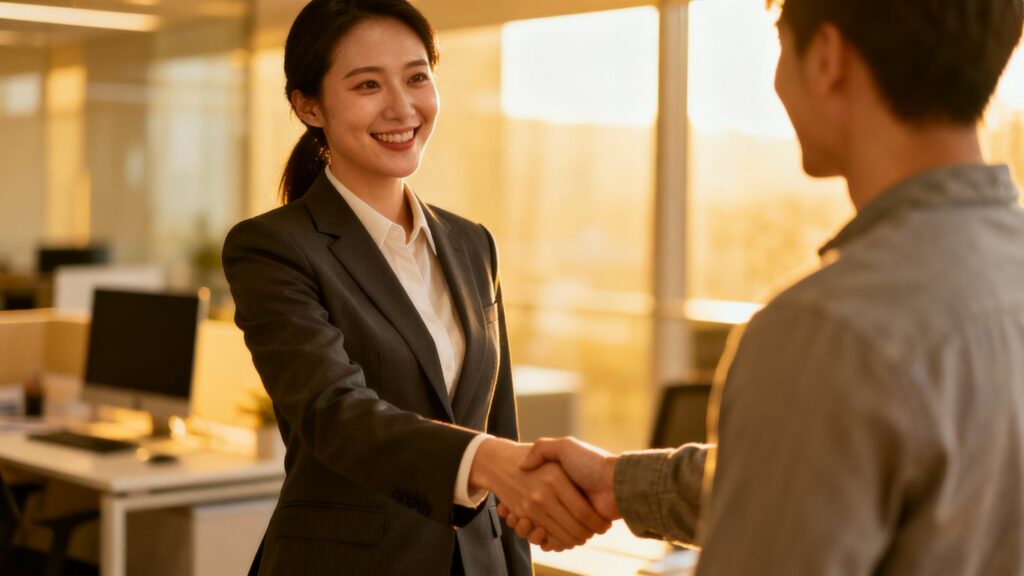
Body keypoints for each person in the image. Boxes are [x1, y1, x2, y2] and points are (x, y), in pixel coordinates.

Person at [502, 0, 1024, 573]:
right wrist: (617, 483)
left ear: (826, 59)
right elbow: (831, 475)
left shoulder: (823, 331)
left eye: (780, 43)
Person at [222, 1, 608, 574]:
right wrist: (488, 460)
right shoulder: (274, 248)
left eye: (417, 77)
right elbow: (334, 414)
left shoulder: (472, 244)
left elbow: (499, 421)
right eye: (368, 84)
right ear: (309, 106)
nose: (402, 107)